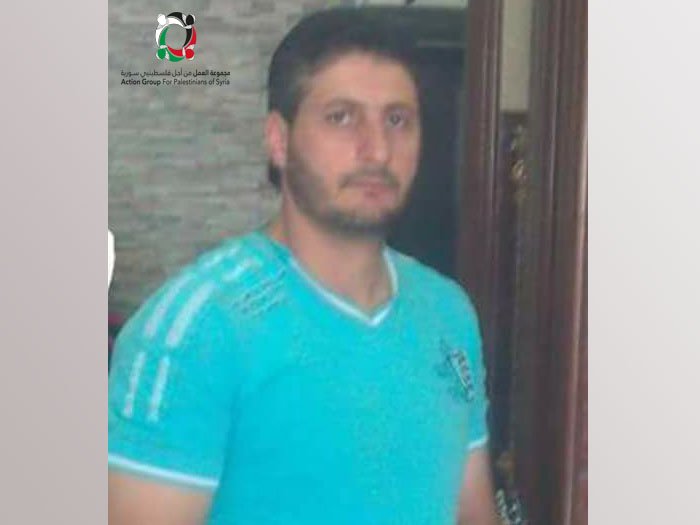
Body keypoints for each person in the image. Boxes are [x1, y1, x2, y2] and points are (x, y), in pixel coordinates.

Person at [108, 9, 498, 525]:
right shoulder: (198, 329)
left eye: (397, 120)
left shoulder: (447, 314)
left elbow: (472, 512)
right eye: (341, 117)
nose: (377, 150)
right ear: (279, 140)